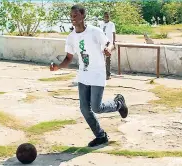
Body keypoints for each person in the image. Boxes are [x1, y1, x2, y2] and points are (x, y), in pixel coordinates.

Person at [50, 4, 128, 147]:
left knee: (97, 108)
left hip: (97, 74)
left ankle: (119, 103)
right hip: (83, 76)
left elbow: (110, 44)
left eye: (75, 15)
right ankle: (101, 135)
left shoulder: (94, 31)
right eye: (71, 16)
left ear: (83, 15)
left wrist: (108, 49)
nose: (72, 18)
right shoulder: (71, 37)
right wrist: (58, 67)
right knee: (85, 108)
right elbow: (68, 58)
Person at [100, 12, 116, 80]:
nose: (106, 17)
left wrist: (113, 43)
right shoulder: (101, 24)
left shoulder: (111, 24)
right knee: (101, 59)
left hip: (108, 43)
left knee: (108, 59)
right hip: (102, 43)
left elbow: (113, 33)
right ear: (103, 17)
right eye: (105, 16)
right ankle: (102, 74)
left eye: (107, 16)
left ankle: (108, 74)